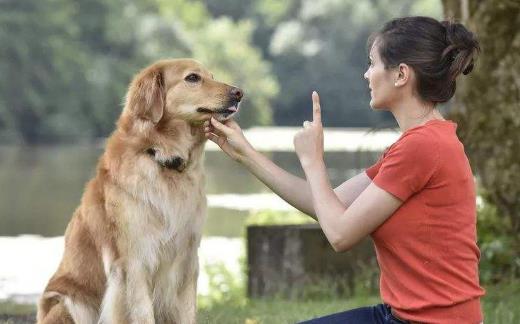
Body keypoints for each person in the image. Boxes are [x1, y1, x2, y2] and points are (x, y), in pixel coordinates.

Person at [203, 16, 484, 324]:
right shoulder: (420, 143)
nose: (366, 74)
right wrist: (246, 154)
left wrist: (314, 161)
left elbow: (339, 234)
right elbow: (328, 205)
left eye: (372, 63)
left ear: (401, 74)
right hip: (400, 316)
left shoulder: (423, 147)